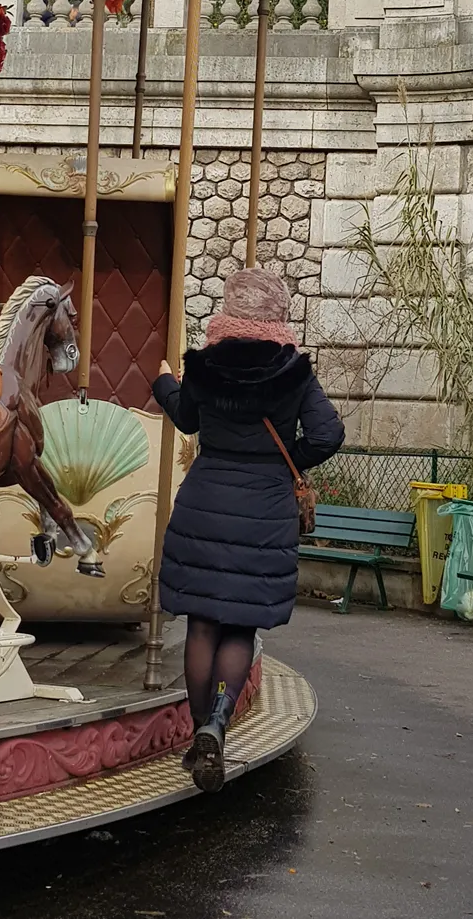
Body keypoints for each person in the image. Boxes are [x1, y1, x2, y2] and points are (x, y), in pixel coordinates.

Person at [153, 267, 345, 794]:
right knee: (240, 627)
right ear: (276, 312)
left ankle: (200, 736)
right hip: (263, 512)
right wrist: (286, 465)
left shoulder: (205, 366)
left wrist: (165, 382)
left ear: (230, 312)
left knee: (202, 627)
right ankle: (218, 722)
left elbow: (187, 420)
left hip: (205, 502)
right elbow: (328, 433)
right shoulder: (294, 372)